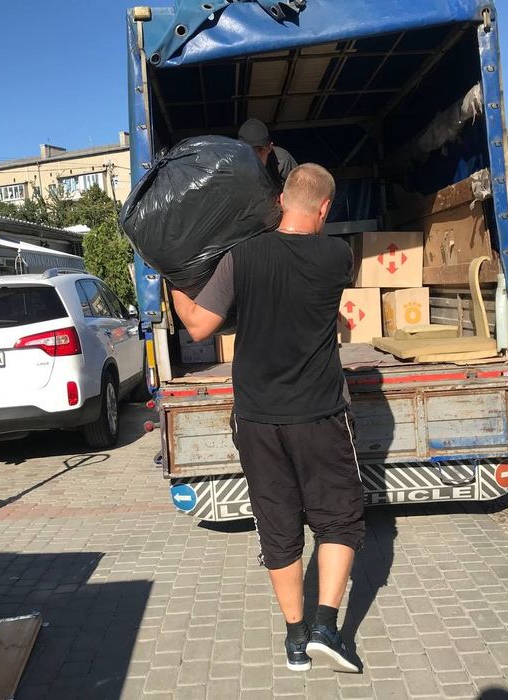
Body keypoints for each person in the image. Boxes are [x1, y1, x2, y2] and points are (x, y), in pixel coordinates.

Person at [170, 163, 364, 673]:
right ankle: (326, 627)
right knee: (339, 517)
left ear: (280, 200)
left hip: (257, 419)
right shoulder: (338, 257)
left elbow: (198, 326)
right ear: (325, 208)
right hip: (320, 415)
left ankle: (296, 640)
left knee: (278, 526)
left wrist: (175, 272)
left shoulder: (242, 256)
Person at [238, 117, 298, 190]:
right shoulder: (233, 166)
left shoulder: (282, 160)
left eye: (260, 150)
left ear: (269, 148)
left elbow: (301, 187)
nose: (255, 157)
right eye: (249, 151)